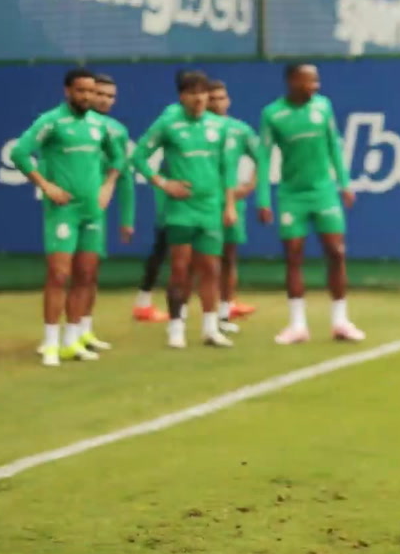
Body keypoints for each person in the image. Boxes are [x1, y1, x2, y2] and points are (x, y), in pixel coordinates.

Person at [11, 67, 124, 367]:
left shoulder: (100, 125)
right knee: (59, 274)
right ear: (68, 91)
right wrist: (46, 185)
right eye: (81, 91)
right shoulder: (52, 121)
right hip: (63, 210)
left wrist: (108, 185)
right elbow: (20, 153)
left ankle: (71, 341)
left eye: (90, 91)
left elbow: (119, 158)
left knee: (86, 275)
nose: (87, 96)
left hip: (92, 210)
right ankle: (49, 343)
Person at [256, 63, 364, 345]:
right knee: (293, 255)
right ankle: (297, 325)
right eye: (309, 81)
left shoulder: (323, 107)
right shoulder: (272, 114)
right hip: (292, 195)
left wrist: (345, 183)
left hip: (324, 192)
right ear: (292, 81)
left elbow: (333, 146)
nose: (315, 86)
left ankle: (340, 321)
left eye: (316, 80)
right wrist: (263, 198)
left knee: (336, 252)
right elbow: (264, 158)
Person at [131, 70, 239, 349]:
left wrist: (229, 205)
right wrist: (163, 183)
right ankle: (176, 327)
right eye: (192, 93)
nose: (199, 98)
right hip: (181, 209)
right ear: (182, 97)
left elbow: (227, 168)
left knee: (211, 269)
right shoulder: (168, 123)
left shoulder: (219, 126)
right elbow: (138, 156)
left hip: (210, 207)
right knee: (180, 268)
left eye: (203, 92)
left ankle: (210, 328)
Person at [131, 70, 192, 324]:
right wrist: (164, 183)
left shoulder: (204, 120)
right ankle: (146, 302)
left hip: (196, 198)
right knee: (165, 245)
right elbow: (140, 154)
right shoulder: (171, 117)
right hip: (173, 195)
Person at [80, 73, 136, 350]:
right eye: (99, 94)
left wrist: (126, 219)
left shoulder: (117, 130)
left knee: (90, 271)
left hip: (97, 211)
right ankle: (60, 333)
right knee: (65, 271)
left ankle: (84, 330)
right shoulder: (67, 123)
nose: (104, 100)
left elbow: (124, 175)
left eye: (110, 96)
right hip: (68, 209)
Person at [207, 78, 263, 333]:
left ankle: (225, 311)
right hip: (203, 202)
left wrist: (249, 185)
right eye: (212, 98)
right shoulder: (197, 128)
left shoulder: (239, 130)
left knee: (229, 256)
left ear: (228, 100)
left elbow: (262, 157)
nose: (217, 103)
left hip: (232, 203)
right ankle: (187, 314)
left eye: (222, 98)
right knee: (202, 259)